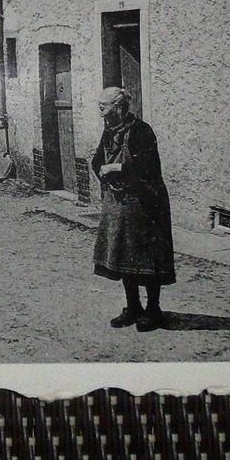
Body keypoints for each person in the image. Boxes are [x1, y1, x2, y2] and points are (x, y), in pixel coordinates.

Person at [90, 86, 176, 331]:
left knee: (147, 257)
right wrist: (103, 173)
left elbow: (146, 167)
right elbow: (98, 160)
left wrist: (115, 169)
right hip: (120, 202)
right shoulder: (110, 130)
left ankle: (153, 310)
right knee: (123, 254)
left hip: (146, 203)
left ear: (118, 107)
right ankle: (133, 306)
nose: (102, 115)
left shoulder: (141, 131)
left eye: (104, 109)